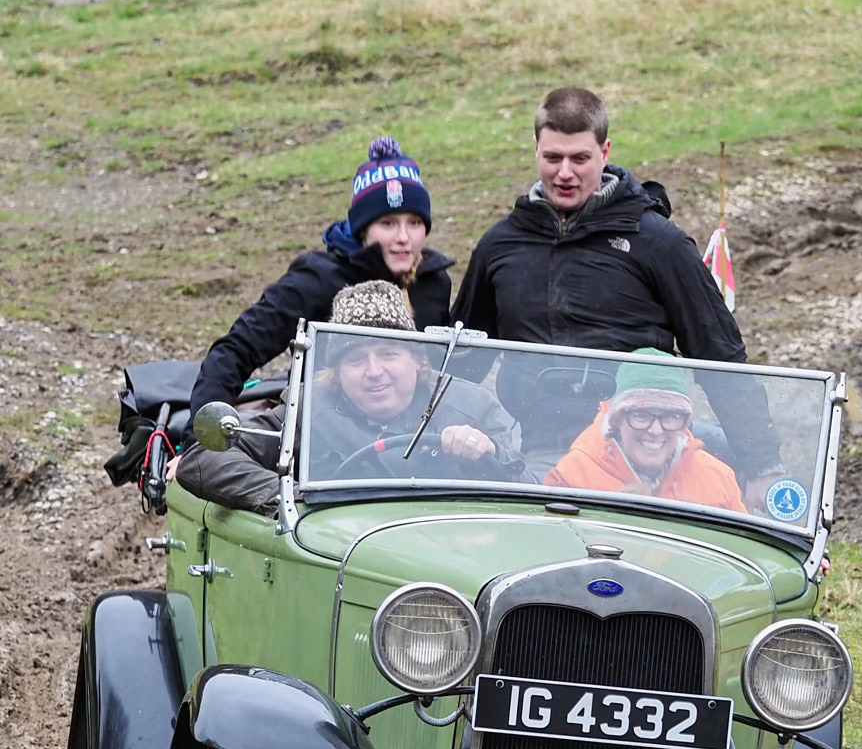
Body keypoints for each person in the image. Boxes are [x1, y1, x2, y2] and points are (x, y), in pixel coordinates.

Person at [450, 87, 779, 490]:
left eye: (579, 159)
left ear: (605, 153)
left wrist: (763, 467)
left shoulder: (658, 243)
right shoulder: (500, 246)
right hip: (546, 449)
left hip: (650, 446)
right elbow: (462, 362)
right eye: (553, 158)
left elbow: (720, 357)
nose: (564, 173)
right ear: (535, 149)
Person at [174, 283, 520, 513]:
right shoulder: (309, 410)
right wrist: (293, 498)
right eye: (355, 359)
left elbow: (527, 487)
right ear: (336, 372)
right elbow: (202, 459)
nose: (374, 371)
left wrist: (487, 453)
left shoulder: (469, 406)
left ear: (417, 359)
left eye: (388, 353)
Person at [187, 137, 453, 421]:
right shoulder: (317, 280)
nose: (403, 237)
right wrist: (201, 440)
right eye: (387, 223)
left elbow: (441, 375)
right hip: (322, 432)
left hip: (414, 434)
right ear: (362, 229)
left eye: (414, 223)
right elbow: (235, 351)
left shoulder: (433, 283)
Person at [545, 351, 745, 512]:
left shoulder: (719, 479)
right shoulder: (572, 477)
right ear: (617, 420)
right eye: (640, 415)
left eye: (671, 416)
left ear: (684, 423)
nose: (656, 431)